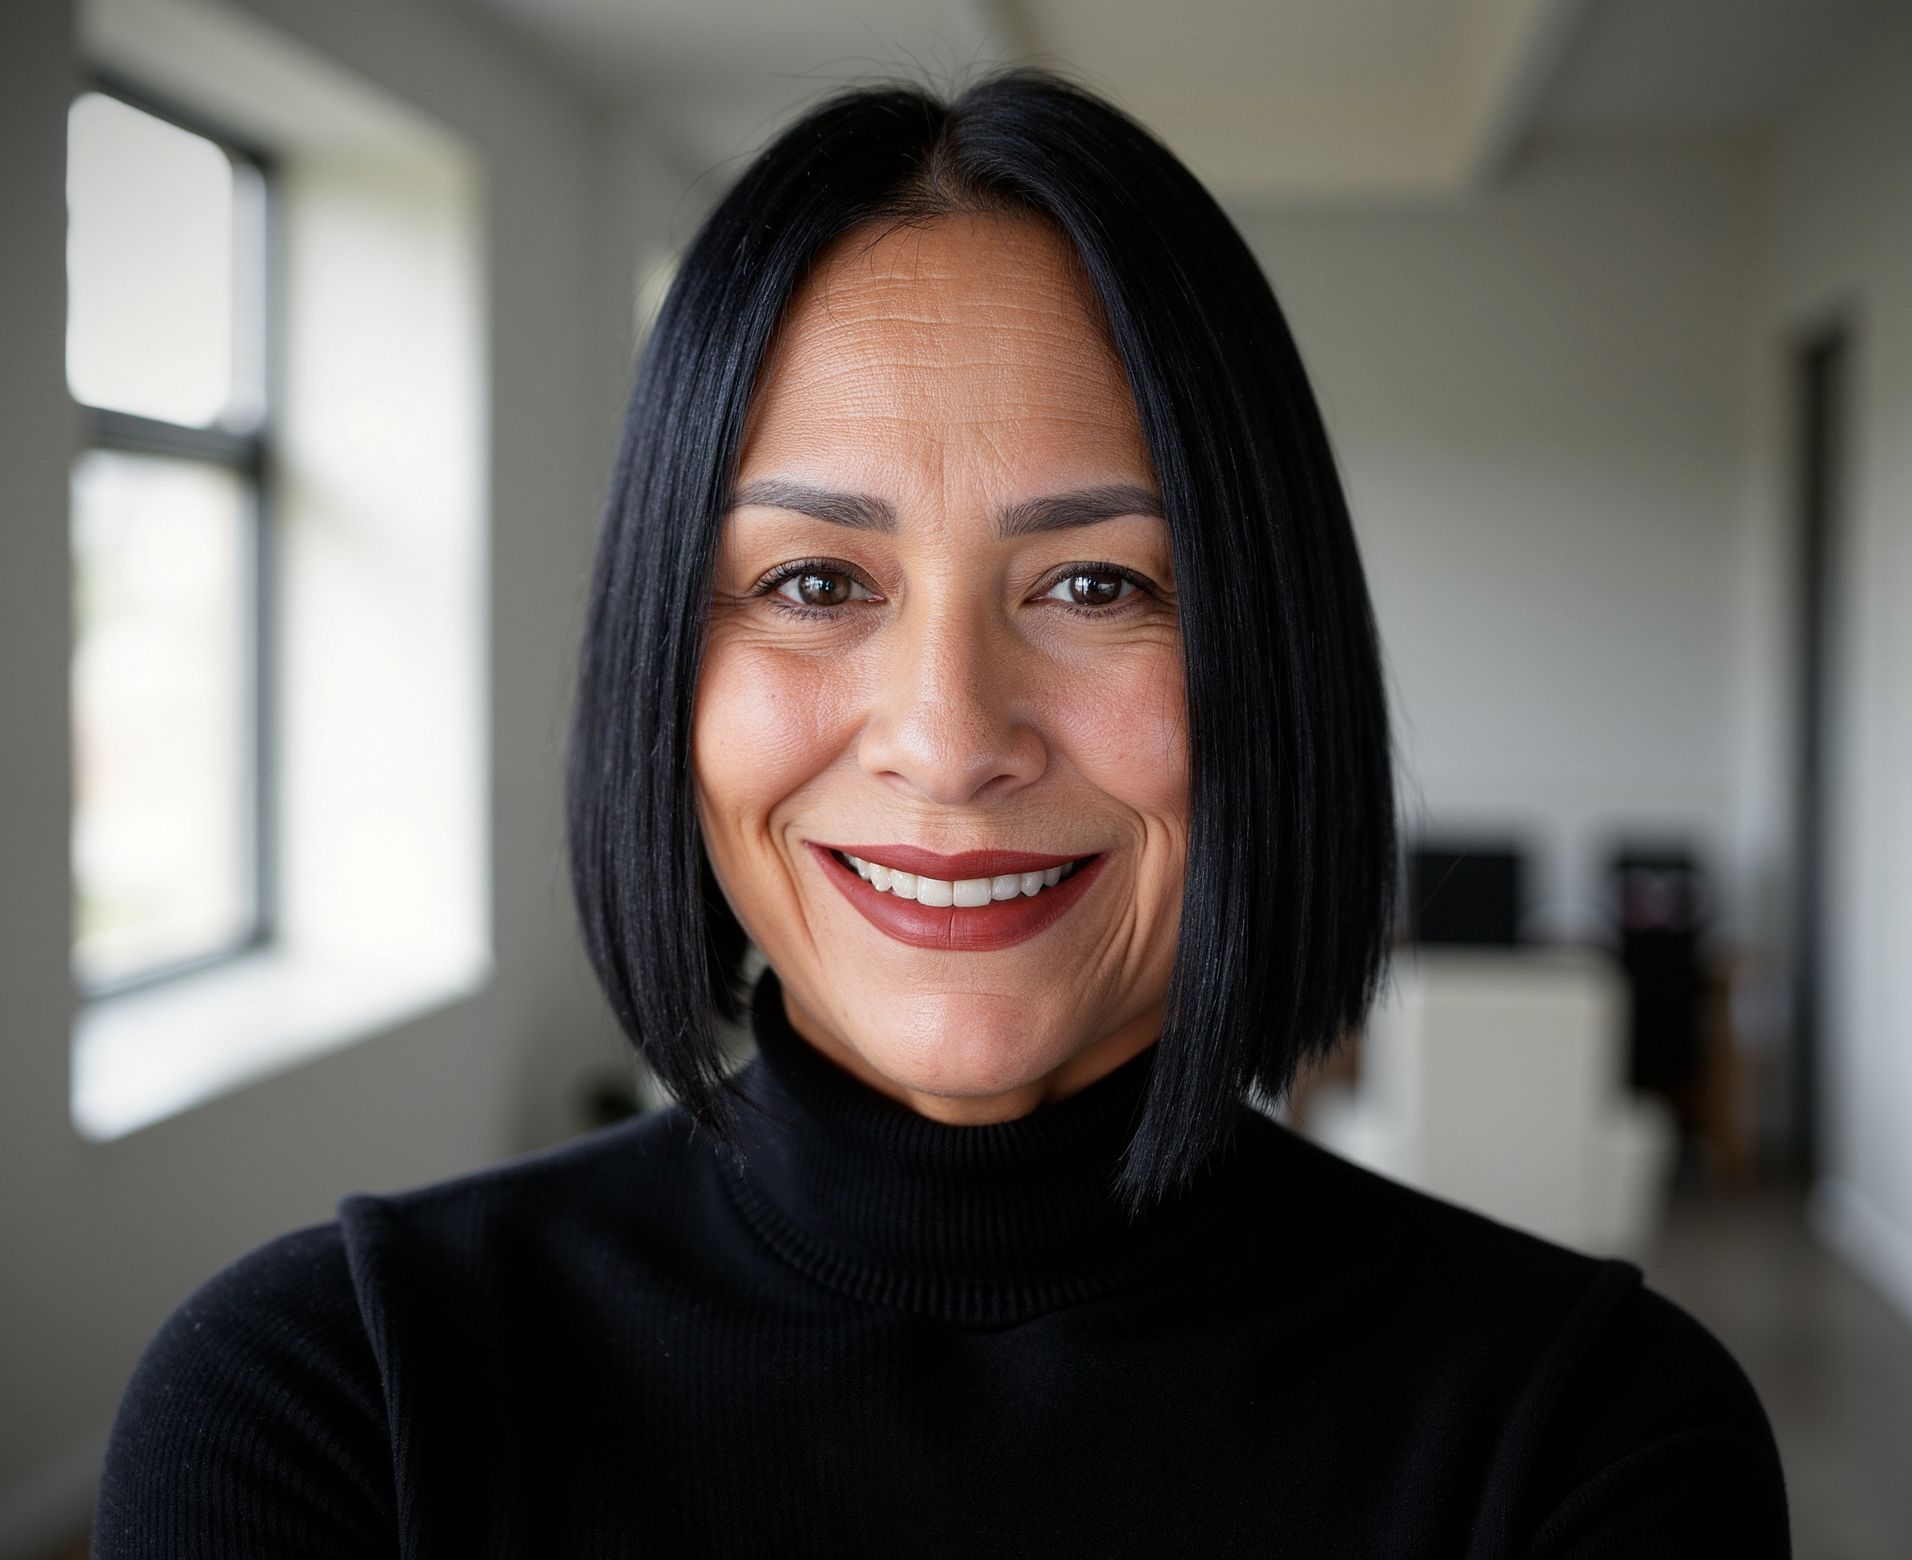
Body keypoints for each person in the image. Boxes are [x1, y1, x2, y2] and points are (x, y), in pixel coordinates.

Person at [92, 68, 1792, 1557]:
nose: (950, 736)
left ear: (1272, 657)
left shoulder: (1590, 1442)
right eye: (817, 578)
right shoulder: (326, 1407)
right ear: (663, 668)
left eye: (1098, 586)